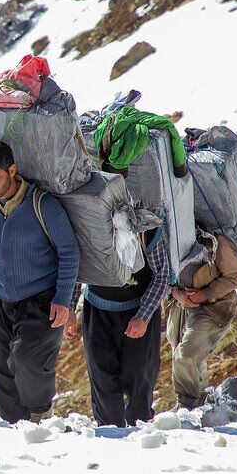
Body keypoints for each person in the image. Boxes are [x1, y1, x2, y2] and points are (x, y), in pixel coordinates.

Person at [0, 141, 80, 423]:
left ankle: (41, 418)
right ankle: (12, 426)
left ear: (12, 170)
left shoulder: (43, 205)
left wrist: (63, 300)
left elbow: (70, 253)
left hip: (41, 299)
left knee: (27, 360)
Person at [66, 162, 170, 427]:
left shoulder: (147, 227)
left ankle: (143, 435)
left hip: (138, 310)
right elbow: (77, 268)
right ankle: (109, 434)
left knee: (138, 378)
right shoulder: (86, 225)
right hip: (98, 310)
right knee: (102, 377)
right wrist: (69, 309)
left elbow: (161, 275)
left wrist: (143, 317)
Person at [164, 229, 237, 409]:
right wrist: (175, 293)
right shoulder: (167, 238)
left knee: (186, 354)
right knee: (190, 358)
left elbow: (236, 274)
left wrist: (205, 294)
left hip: (213, 308)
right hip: (180, 306)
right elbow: (159, 274)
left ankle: (187, 404)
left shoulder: (214, 242)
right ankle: (202, 404)